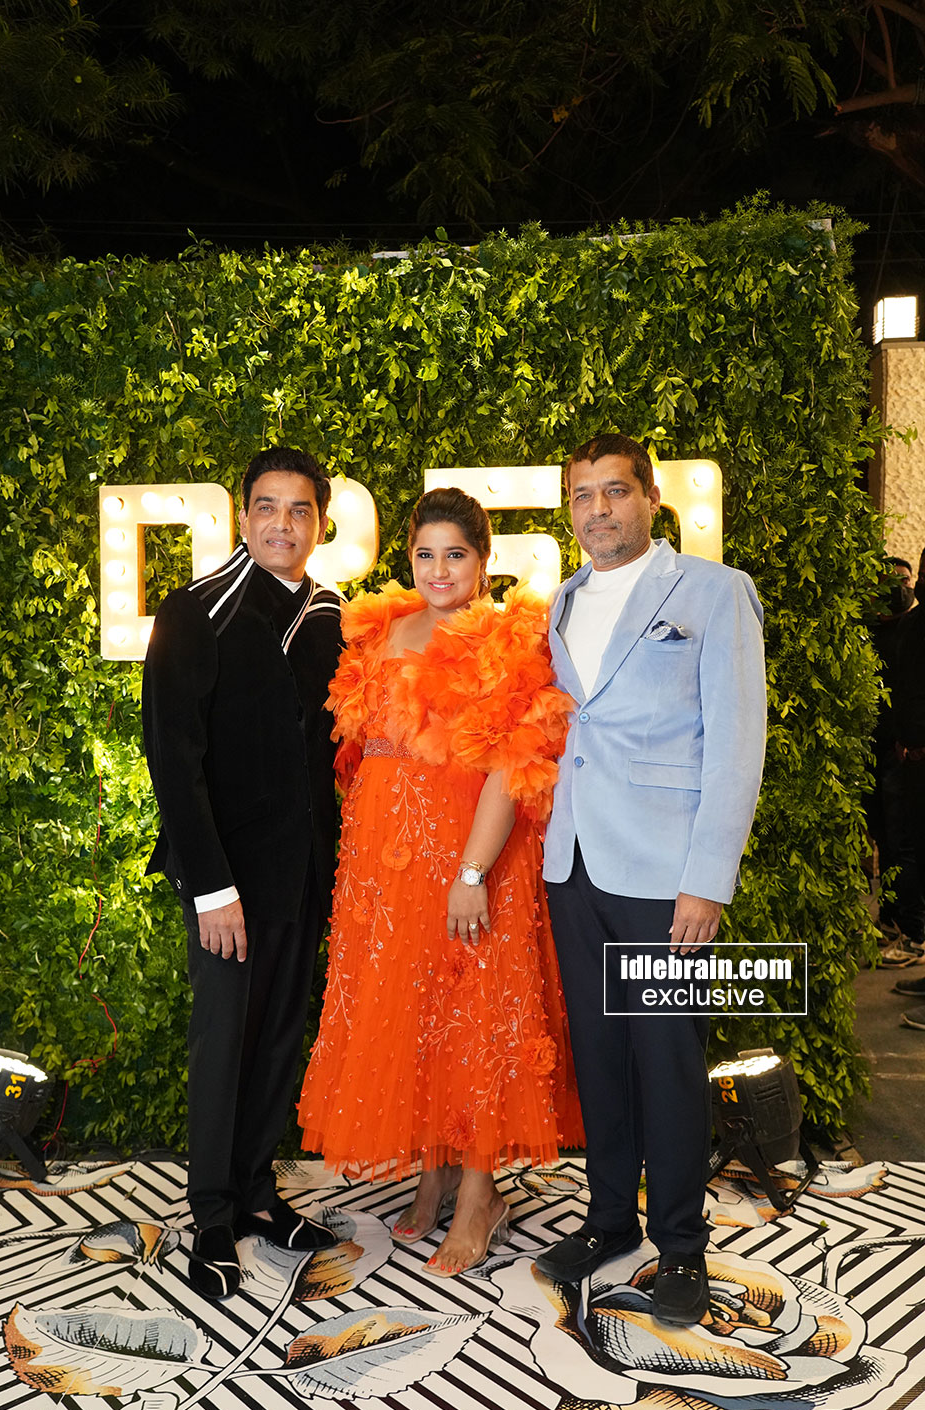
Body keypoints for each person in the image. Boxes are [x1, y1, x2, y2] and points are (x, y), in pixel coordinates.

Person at [298, 487, 582, 1275]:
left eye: (456, 554)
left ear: (484, 561)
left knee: (476, 1015)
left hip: (470, 852)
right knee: (421, 1010)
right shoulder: (385, 628)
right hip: (386, 859)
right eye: (426, 554)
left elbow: (512, 767)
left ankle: (478, 1196)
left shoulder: (506, 642)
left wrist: (472, 872)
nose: (439, 569)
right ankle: (435, 1174)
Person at [536, 433, 766, 1326]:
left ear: (651, 499)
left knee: (667, 1060)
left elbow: (737, 743)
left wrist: (707, 880)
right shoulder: (562, 599)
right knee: (599, 1056)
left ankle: (679, 1244)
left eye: (615, 491)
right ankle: (608, 1220)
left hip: (667, 875)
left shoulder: (712, 591)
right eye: (583, 494)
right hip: (575, 864)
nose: (598, 509)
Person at [142, 446, 343, 1300]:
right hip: (229, 881)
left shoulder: (330, 614)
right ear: (243, 515)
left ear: (320, 523)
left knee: (277, 1040)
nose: (282, 524)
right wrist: (211, 886)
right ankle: (213, 1216)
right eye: (267, 506)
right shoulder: (196, 610)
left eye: (299, 510)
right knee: (223, 1045)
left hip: (302, 874)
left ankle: (259, 1194)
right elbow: (171, 755)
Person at [866, 556, 922, 967]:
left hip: (905, 753)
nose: (899, 588)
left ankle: (913, 931)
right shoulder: (870, 631)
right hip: (878, 749)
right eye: (890, 581)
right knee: (885, 839)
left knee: (906, 844)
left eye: (905, 580)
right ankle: (890, 919)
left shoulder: (915, 627)